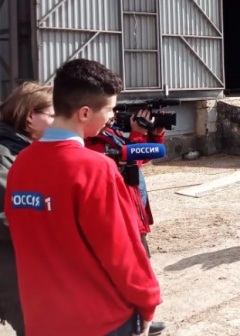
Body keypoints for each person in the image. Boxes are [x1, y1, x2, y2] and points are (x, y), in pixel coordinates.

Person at [4, 59, 161, 336]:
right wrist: (147, 300)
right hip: (98, 320)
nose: (112, 117)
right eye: (109, 109)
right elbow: (121, 249)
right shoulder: (96, 168)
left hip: (41, 318)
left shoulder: (21, 163)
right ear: (85, 113)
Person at [85, 109, 168, 335]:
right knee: (127, 272)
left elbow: (143, 156)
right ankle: (129, 322)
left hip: (133, 211)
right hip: (118, 216)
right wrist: (137, 134)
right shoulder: (90, 143)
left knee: (140, 266)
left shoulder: (109, 133)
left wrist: (155, 134)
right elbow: (130, 157)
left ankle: (139, 318)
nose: (113, 115)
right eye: (108, 109)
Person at [0, 82, 54, 336]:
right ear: (31, 116)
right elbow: (9, 216)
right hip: (12, 268)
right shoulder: (5, 155)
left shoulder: (26, 149)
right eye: (54, 115)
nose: (61, 122)